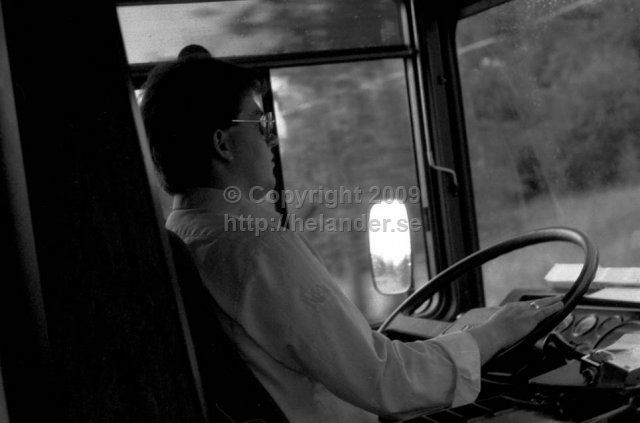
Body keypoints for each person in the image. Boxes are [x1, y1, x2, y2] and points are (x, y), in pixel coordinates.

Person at [139, 55, 563, 422]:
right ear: (223, 144)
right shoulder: (254, 245)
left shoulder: (184, 234)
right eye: (259, 121)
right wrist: (495, 332)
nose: (270, 136)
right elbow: (385, 381)